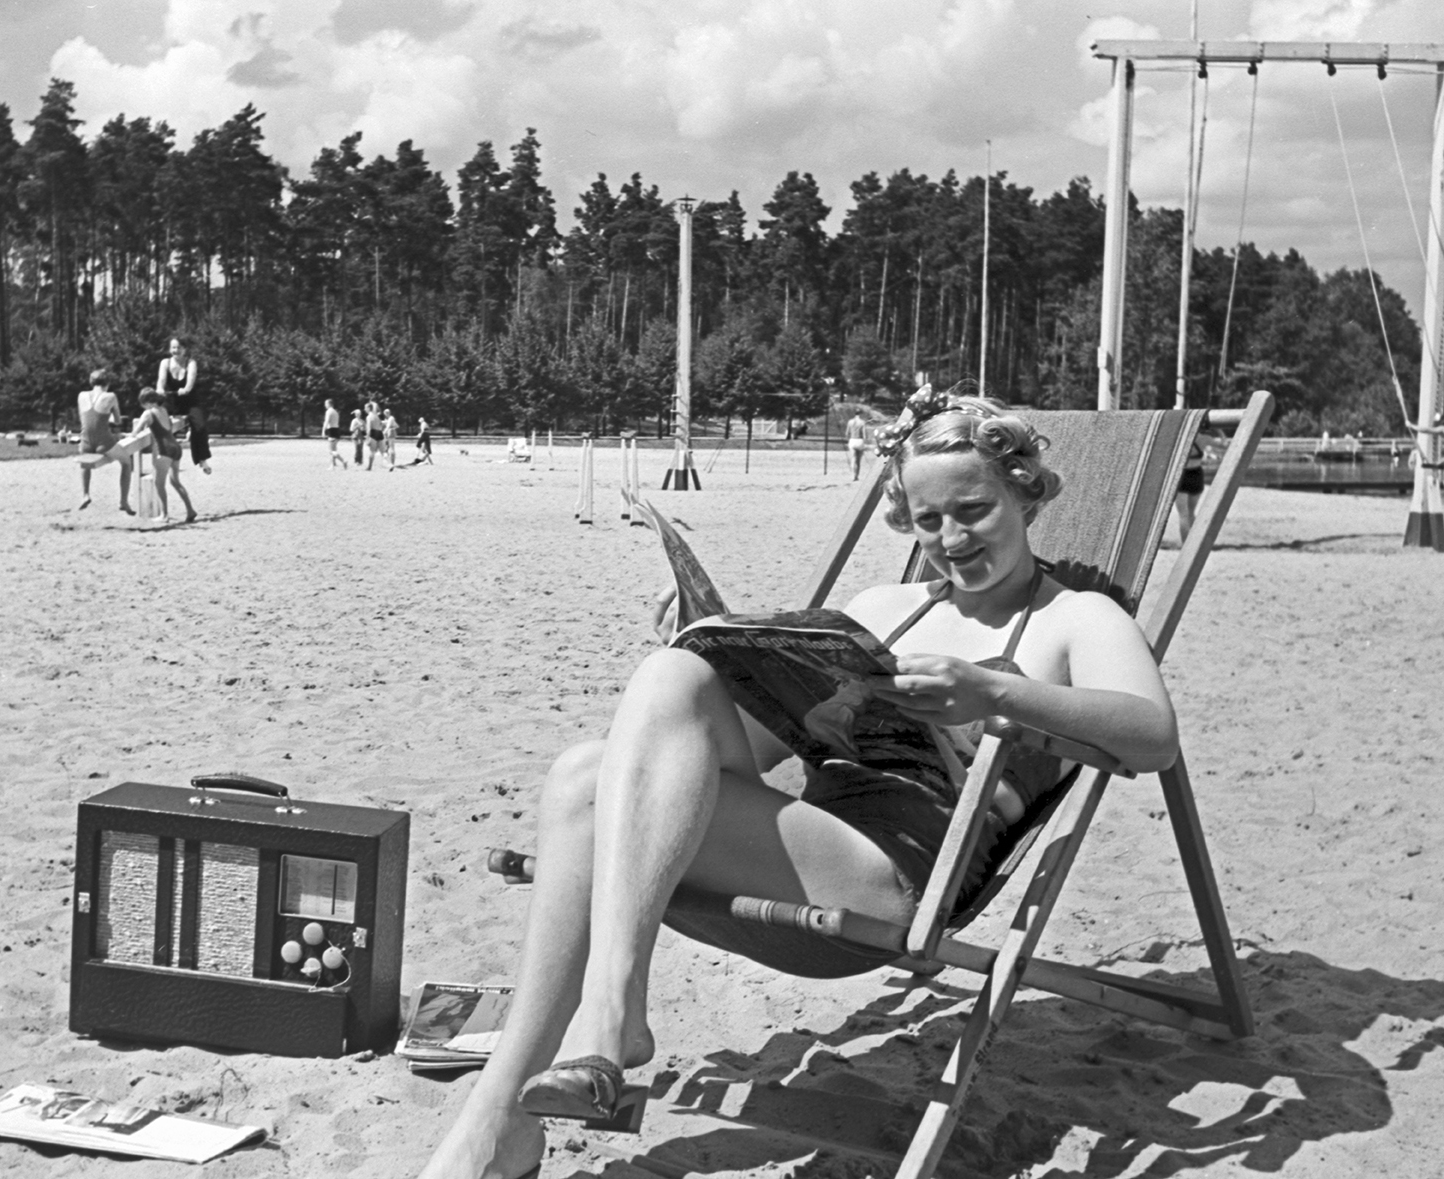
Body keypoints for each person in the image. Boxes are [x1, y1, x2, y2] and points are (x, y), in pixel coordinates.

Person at [414, 385, 1182, 1179]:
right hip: (811, 846)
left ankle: (591, 1038)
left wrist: (992, 693)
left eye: (974, 509)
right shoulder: (885, 606)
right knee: (607, 745)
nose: (951, 537)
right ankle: (504, 1116)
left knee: (598, 771)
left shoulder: (1079, 618)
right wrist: (715, 659)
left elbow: (1153, 735)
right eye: (927, 521)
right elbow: (744, 746)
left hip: (892, 879)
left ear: (1025, 491)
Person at [135, 388, 196, 524]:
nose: (142, 407)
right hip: (175, 447)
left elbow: (136, 431)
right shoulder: (164, 410)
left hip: (164, 449)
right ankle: (190, 510)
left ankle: (164, 515)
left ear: (147, 402)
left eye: (142, 404)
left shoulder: (148, 413)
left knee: (159, 484)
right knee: (175, 482)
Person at [77, 369, 133, 514]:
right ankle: (123, 501)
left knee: (85, 462)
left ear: (91, 382)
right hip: (103, 441)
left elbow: (86, 419)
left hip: (85, 441)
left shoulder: (81, 395)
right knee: (126, 462)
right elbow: (118, 420)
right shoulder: (111, 396)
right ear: (107, 383)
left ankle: (85, 495)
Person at [157, 337, 210, 475]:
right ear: (170, 349)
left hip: (190, 401)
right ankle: (162, 455)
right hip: (172, 402)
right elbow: (161, 380)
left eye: (179, 347)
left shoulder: (191, 363)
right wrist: (160, 389)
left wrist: (186, 389)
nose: (176, 350)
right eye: (173, 347)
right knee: (158, 421)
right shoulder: (165, 363)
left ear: (185, 349)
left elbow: (190, 381)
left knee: (200, 426)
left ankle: (202, 458)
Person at [1173, 438, 1206, 544]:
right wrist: (1220, 432)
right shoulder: (1204, 439)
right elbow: (1224, 444)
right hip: (1196, 475)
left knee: (1183, 515)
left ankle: (1185, 545)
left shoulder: (1181, 438)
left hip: (1182, 475)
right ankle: (1193, 544)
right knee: (1191, 513)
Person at [322, 399, 346, 469]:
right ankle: (332, 465)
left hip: (331, 431)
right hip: (337, 430)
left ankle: (343, 461)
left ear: (329, 404)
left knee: (331, 451)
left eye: (325, 404)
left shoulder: (329, 411)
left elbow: (326, 421)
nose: (325, 405)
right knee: (334, 449)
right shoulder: (336, 412)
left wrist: (323, 431)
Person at [847, 414, 869, 480]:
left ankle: (852, 476)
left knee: (853, 459)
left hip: (852, 440)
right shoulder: (862, 422)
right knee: (858, 461)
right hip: (859, 440)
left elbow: (847, 433)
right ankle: (857, 476)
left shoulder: (850, 422)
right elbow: (865, 435)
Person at [364, 401, 384, 471]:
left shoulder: (369, 417)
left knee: (372, 451)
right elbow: (381, 425)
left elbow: (369, 428)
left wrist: (367, 438)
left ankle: (369, 467)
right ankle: (390, 464)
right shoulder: (377, 416)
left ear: (369, 408)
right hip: (379, 433)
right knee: (382, 452)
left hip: (373, 433)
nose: (364, 409)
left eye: (365, 408)